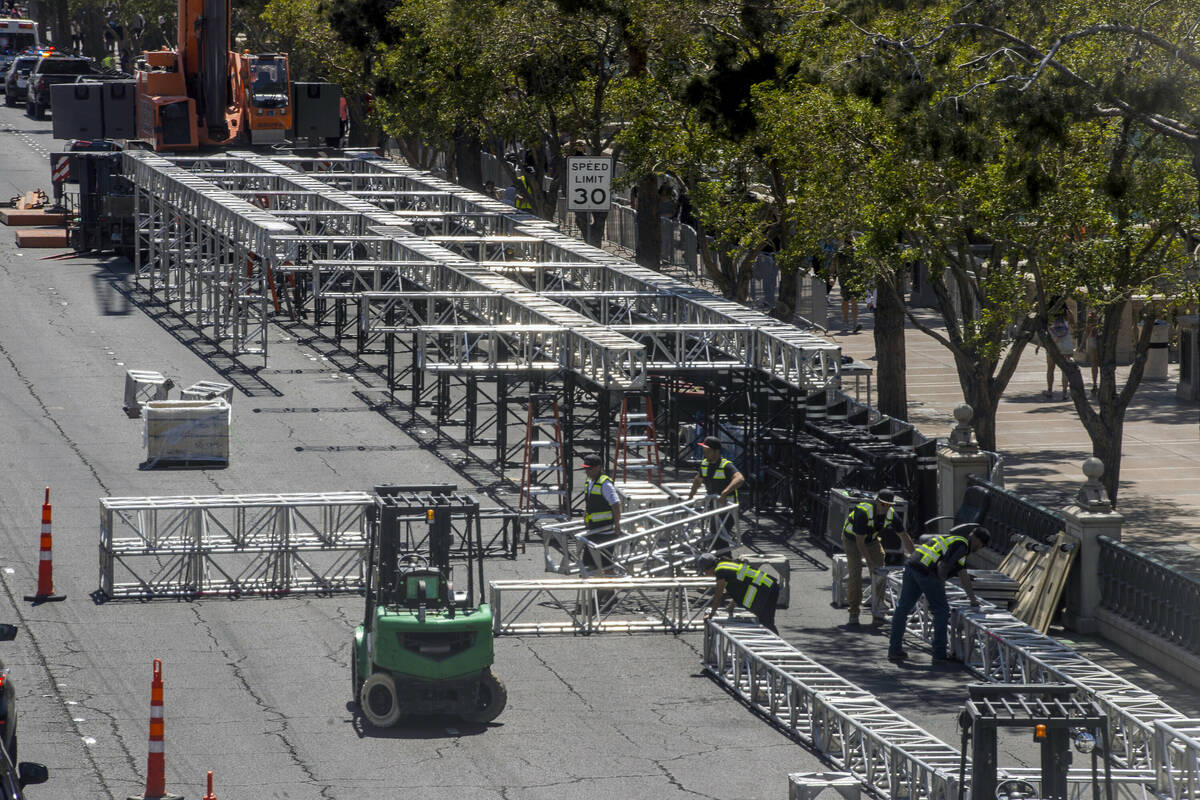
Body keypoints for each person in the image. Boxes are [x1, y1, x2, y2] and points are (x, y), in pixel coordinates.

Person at [888, 527, 989, 664]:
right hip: (926, 572)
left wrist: (973, 600)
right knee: (941, 610)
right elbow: (943, 567)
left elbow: (963, 575)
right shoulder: (963, 545)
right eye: (981, 545)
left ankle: (894, 651)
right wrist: (940, 590)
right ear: (977, 540)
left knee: (902, 609)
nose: (980, 548)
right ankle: (939, 654)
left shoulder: (952, 540)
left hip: (912, 566)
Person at [841, 489, 899, 627]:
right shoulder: (863, 513)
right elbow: (860, 543)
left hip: (871, 540)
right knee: (856, 574)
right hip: (852, 540)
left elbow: (904, 536)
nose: (887, 508)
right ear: (877, 502)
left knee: (880, 573)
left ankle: (878, 611)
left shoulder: (891, 514)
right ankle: (854, 612)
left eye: (890, 505)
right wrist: (870, 563)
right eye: (884, 504)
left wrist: (916, 556)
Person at [696, 553, 779, 634]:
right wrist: (731, 606)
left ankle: (777, 644)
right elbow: (740, 586)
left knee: (766, 623)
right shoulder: (727, 564)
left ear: (708, 568)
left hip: (765, 590)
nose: (706, 574)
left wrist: (711, 614)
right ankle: (776, 642)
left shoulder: (720, 571)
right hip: (769, 586)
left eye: (704, 572)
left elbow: (718, 594)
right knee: (766, 622)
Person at [578, 453, 621, 576]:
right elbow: (590, 504)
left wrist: (617, 525)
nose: (587, 471)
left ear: (599, 467)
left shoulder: (605, 483)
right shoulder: (589, 482)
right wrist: (586, 519)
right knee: (589, 564)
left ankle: (608, 594)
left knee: (607, 566)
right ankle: (595, 592)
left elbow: (616, 504)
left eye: (589, 468)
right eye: (585, 468)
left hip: (605, 532)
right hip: (593, 530)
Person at [687, 436, 744, 505]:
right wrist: (690, 496)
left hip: (727, 506)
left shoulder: (725, 465)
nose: (705, 453)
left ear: (717, 451)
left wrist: (724, 493)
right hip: (712, 503)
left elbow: (740, 478)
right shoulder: (705, 464)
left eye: (708, 451)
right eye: (704, 450)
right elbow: (698, 480)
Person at [1038, 296, 1075, 399]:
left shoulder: (1049, 315)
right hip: (1066, 344)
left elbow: (1043, 330)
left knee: (1050, 368)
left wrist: (1039, 344)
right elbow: (1073, 325)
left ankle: (1050, 391)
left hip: (1053, 345)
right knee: (1065, 370)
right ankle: (1064, 392)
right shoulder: (1068, 313)